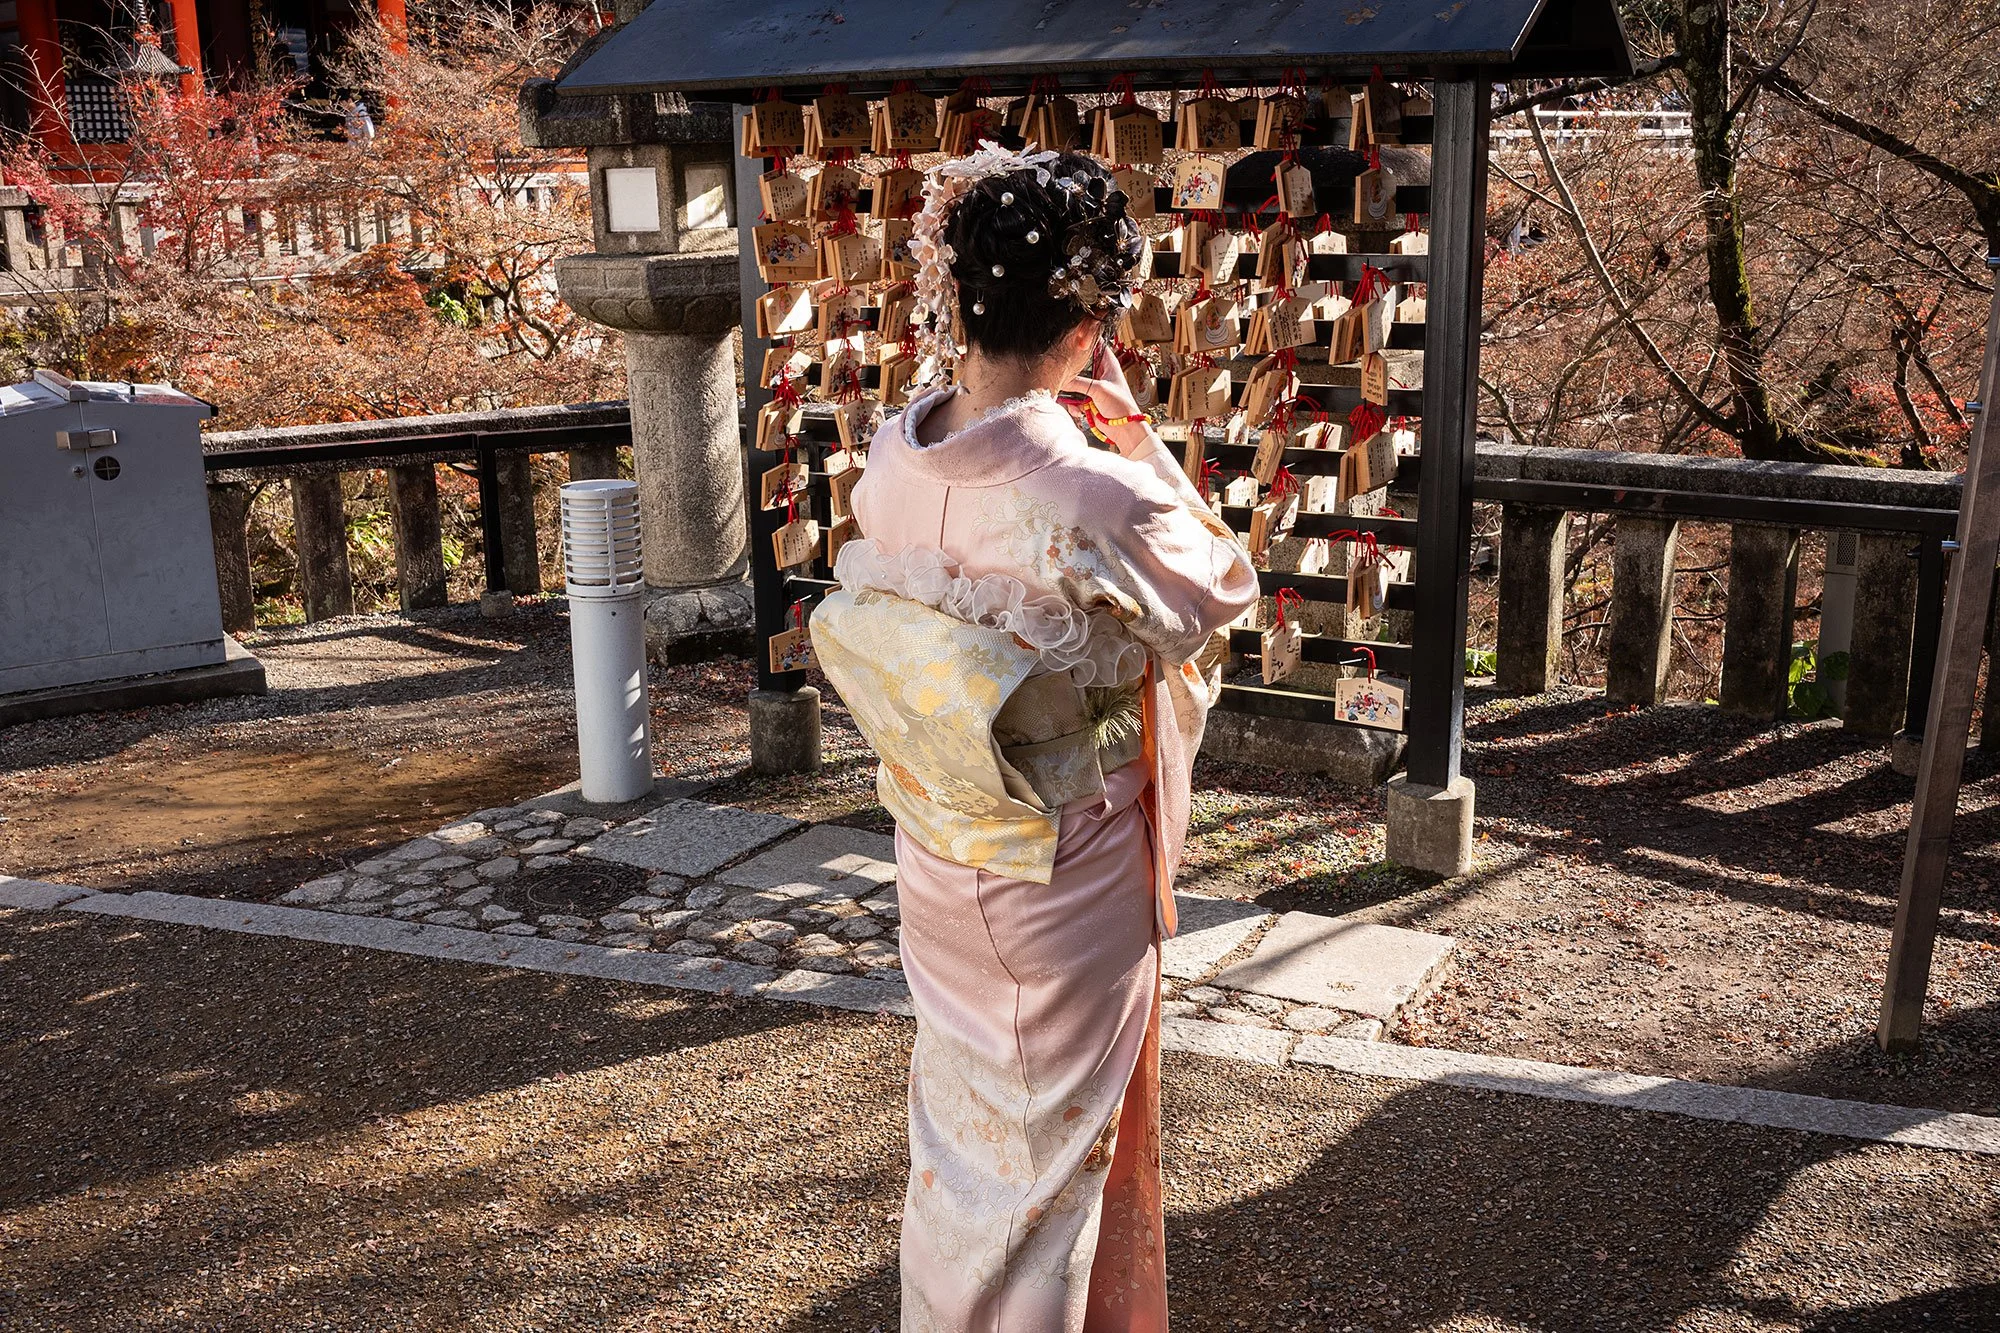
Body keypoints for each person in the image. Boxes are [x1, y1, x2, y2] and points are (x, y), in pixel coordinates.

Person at [809, 146, 1258, 1331]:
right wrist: (1132, 435)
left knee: (960, 1141)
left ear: (956, 294)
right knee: (1047, 1177)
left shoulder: (895, 451)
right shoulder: (1090, 492)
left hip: (937, 846)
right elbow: (1219, 589)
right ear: (1090, 322)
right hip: (1065, 864)